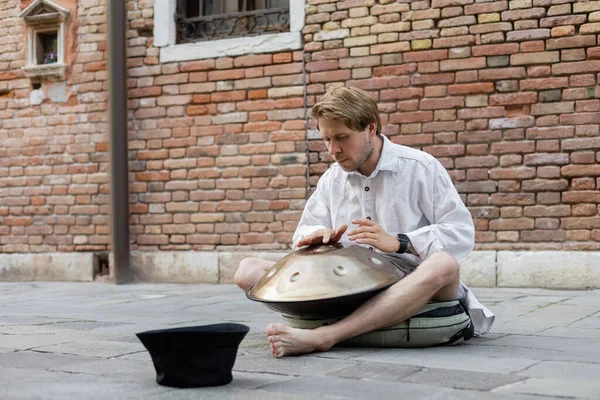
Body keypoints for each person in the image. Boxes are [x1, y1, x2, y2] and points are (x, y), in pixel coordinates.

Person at [234, 86, 495, 358]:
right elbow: (303, 230)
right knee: (248, 270)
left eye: (342, 138)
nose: (333, 150)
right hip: (352, 285)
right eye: (326, 140)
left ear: (370, 129)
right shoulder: (331, 180)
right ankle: (368, 320)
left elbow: (461, 233)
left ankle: (326, 335)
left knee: (444, 264)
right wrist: (314, 237)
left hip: (411, 281)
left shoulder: (420, 167)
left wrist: (400, 242)